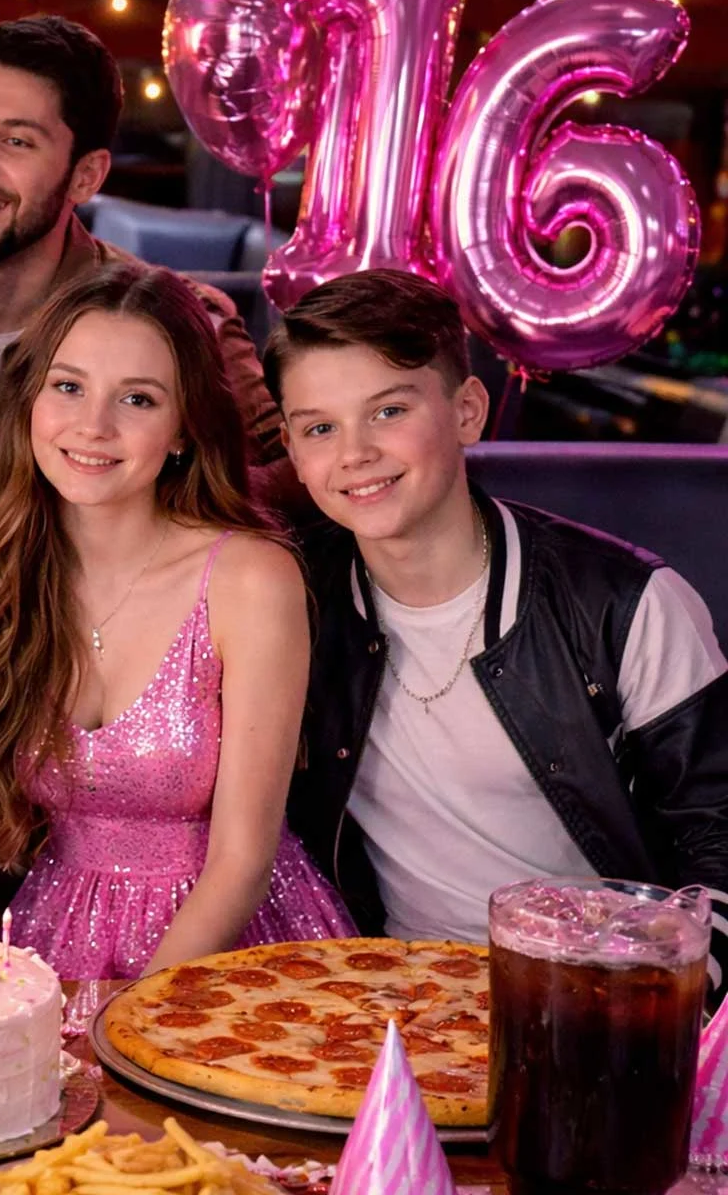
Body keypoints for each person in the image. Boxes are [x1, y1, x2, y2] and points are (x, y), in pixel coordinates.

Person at [269, 269, 728, 949]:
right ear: (292, 450)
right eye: (320, 428)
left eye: (389, 412)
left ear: (466, 413)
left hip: (591, 990)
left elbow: (718, 838)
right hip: (383, 998)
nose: (355, 454)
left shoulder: (627, 604)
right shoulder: (290, 599)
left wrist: (649, 1004)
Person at [0, 264, 352, 980]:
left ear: (185, 429)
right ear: (31, 401)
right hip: (53, 937)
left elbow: (243, 862)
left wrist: (127, 1025)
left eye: (137, 398)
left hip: (229, 948)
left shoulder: (250, 579)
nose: (92, 427)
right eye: (68, 387)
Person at [0, 15, 287, 555]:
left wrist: (169, 500)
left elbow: (292, 467)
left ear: (86, 176)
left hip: (54, 629)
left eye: (16, 141)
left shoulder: (171, 320)